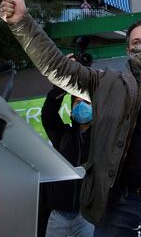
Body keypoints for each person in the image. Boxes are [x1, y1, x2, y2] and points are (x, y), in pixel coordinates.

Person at [0, 0, 141, 236]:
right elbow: (58, 67)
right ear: (127, 51)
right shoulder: (106, 83)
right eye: (135, 42)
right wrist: (23, 24)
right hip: (118, 205)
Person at [41, 54, 94, 236]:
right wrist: (63, 81)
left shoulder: (101, 136)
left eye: (87, 102)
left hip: (87, 215)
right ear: (71, 111)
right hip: (58, 214)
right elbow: (48, 113)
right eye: (78, 102)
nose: (82, 105)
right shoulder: (62, 134)